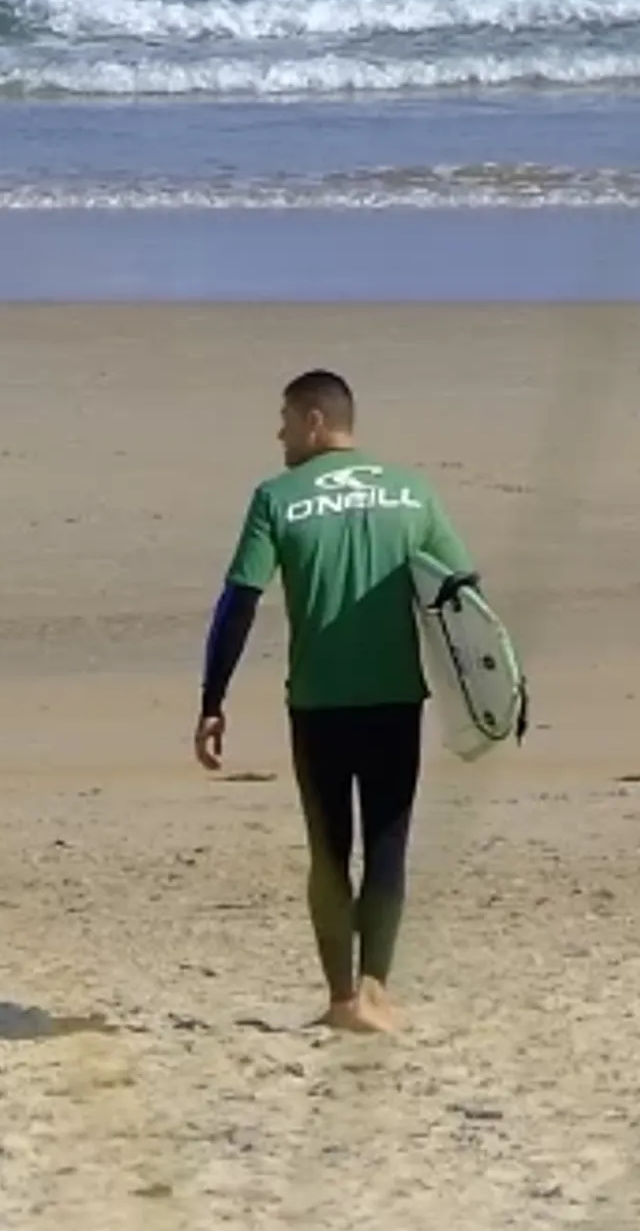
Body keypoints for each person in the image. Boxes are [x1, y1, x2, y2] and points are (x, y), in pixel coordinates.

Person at [195, 369, 475, 1036]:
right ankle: (378, 990)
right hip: (397, 699)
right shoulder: (413, 492)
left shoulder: (276, 498)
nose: (281, 434)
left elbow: (239, 602)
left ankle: (344, 998)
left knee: (328, 853)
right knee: (387, 845)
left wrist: (213, 698)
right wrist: (485, 699)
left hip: (318, 704)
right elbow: (462, 596)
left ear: (314, 421)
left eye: (286, 420)